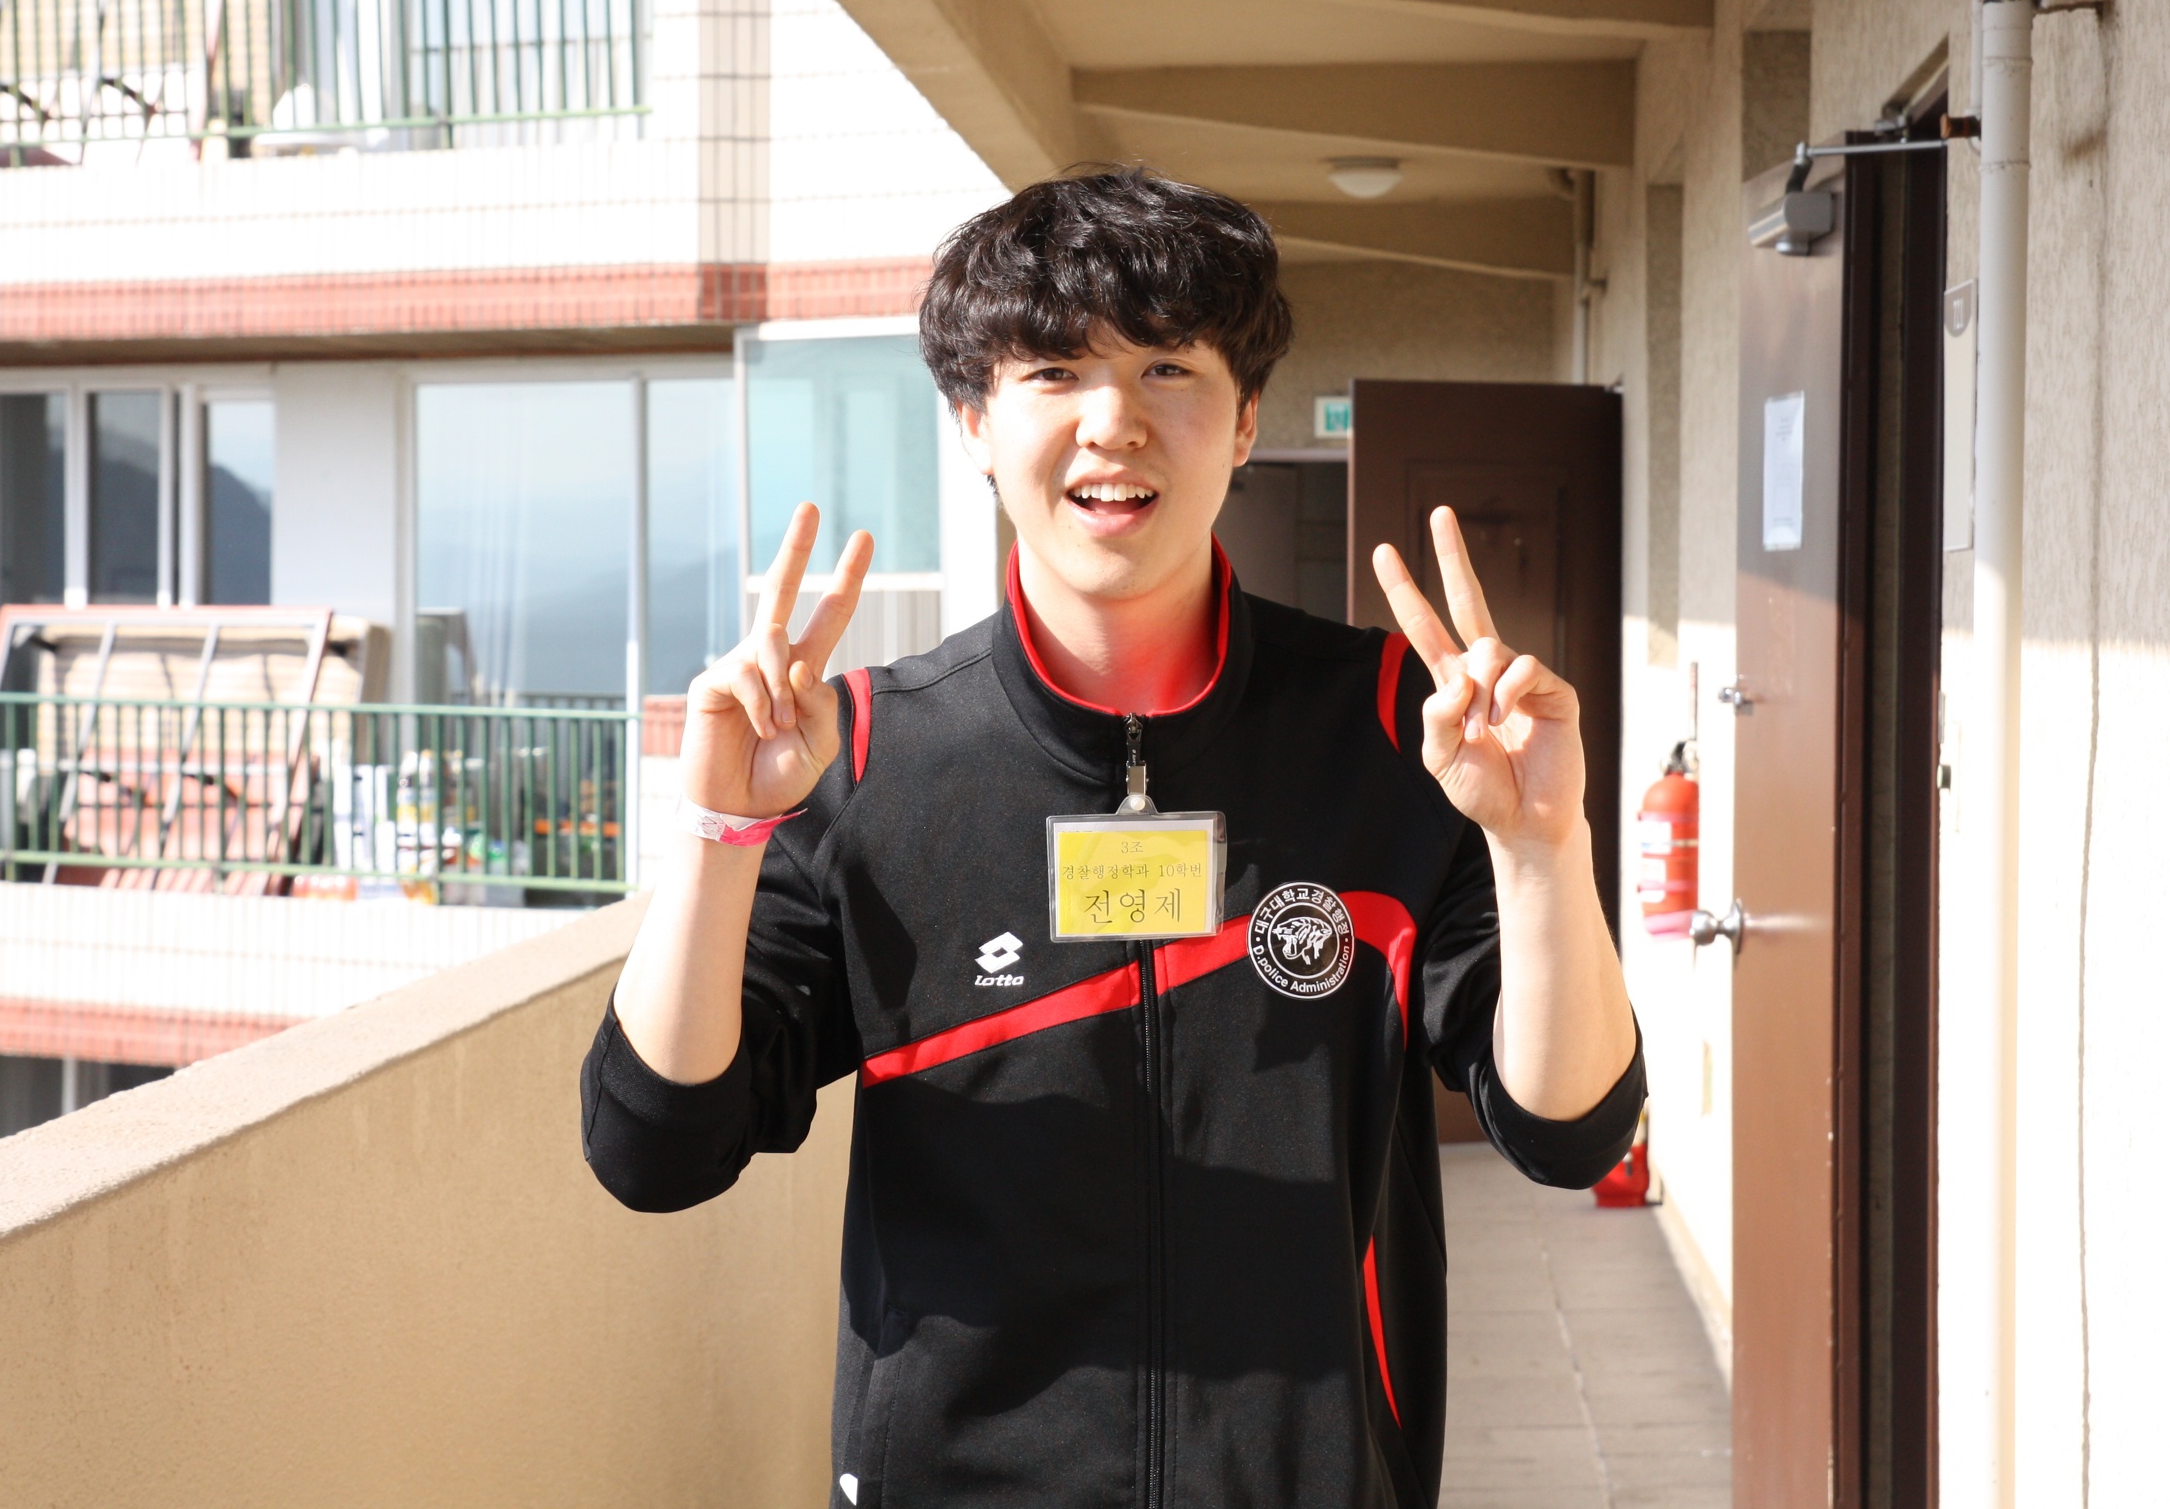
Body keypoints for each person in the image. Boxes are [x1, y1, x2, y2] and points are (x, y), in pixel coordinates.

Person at [583, 166, 1642, 1509]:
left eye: (1166, 369)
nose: (1113, 423)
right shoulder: (866, 760)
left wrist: (1544, 850)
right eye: (1054, 373)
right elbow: (656, 1151)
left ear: (1245, 421)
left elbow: (1570, 1132)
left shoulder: (1398, 732)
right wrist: (720, 831)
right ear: (975, 422)